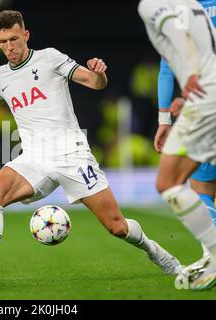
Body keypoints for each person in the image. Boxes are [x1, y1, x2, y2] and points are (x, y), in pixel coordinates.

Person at [0, 10, 181, 286]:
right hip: (34, 159)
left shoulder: (50, 57)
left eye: (14, 39)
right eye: (2, 42)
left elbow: (93, 82)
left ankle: (156, 252)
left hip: (72, 155)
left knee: (116, 226)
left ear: (26, 35)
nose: (9, 47)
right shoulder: (1, 75)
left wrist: (99, 74)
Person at [138, 0, 216, 290]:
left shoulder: (155, 6)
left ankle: (213, 256)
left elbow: (168, 62)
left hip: (205, 101)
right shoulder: (197, 7)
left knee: (173, 182)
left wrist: (165, 118)